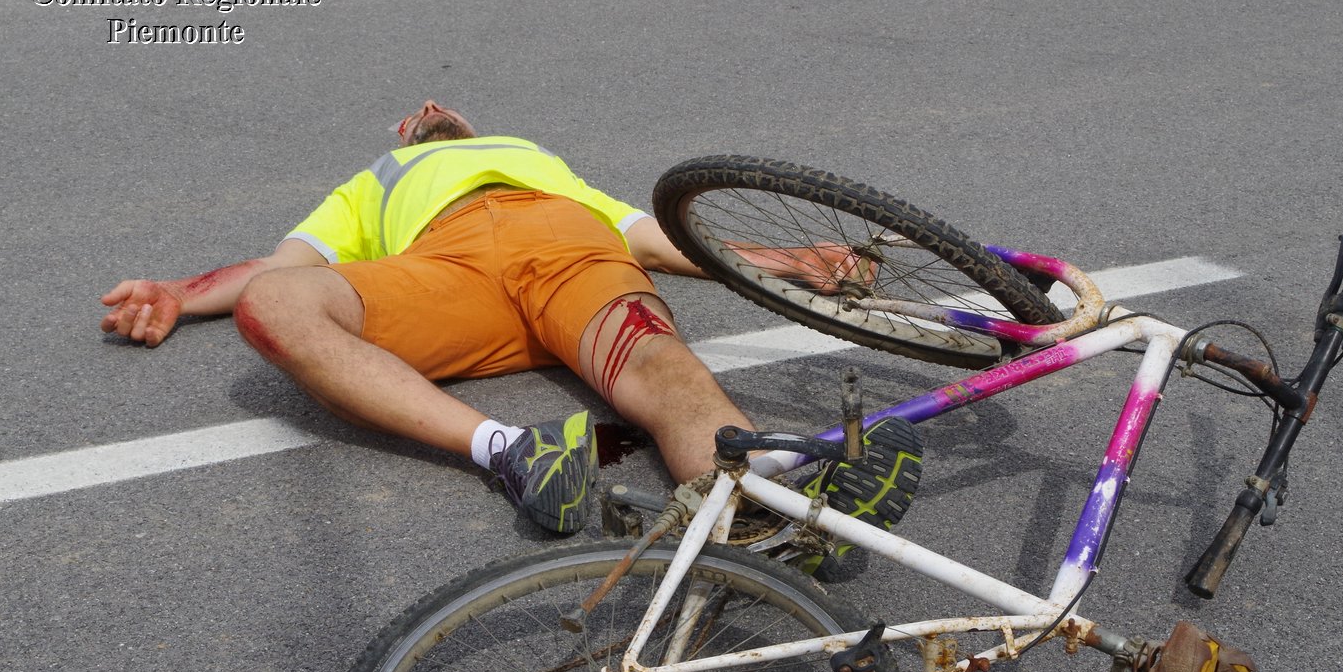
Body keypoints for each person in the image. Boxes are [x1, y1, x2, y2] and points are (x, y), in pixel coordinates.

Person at [100, 100, 920, 538]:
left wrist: (794, 262)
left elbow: (661, 239)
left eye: (440, 110)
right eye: (417, 115)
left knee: (662, 365)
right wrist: (179, 289)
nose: (428, 112)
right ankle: (511, 453)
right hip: (442, 272)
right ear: (410, 131)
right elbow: (280, 273)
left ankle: (770, 505)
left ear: (463, 120)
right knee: (272, 305)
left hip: (565, 248)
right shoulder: (374, 179)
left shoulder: (537, 159)